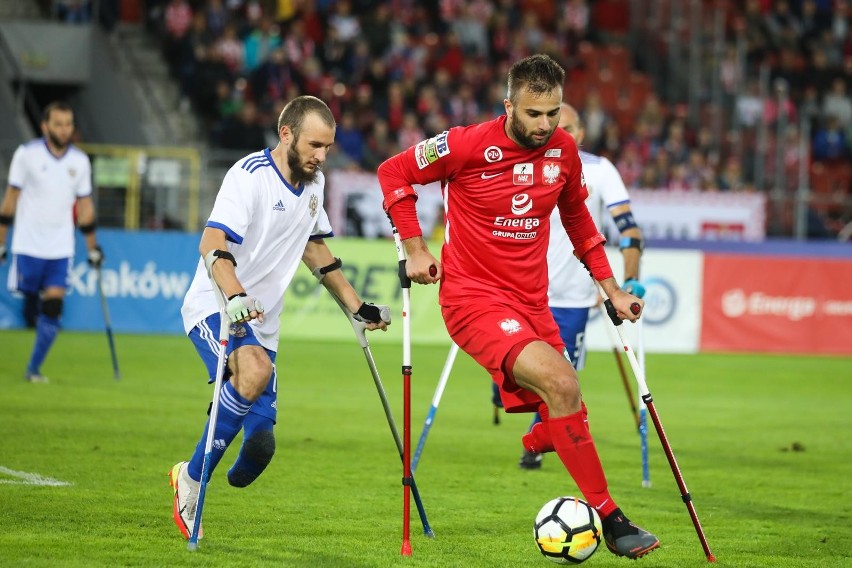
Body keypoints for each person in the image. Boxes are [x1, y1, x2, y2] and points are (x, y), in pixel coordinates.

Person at [376, 54, 659, 559]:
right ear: (509, 105)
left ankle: (537, 441)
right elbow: (393, 173)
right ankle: (611, 520)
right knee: (564, 384)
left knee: (571, 410)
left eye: (553, 113)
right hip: (472, 299)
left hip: (533, 303)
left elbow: (580, 225)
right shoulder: (464, 143)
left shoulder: (564, 151)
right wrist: (416, 247)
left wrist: (613, 289)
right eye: (534, 114)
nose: (545, 124)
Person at [169, 95, 389, 541]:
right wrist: (234, 296)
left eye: (327, 147)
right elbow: (212, 241)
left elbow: (314, 247)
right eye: (314, 145)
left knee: (261, 442)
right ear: (285, 134)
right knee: (253, 370)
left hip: (263, 323)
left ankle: (218, 433)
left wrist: (357, 306)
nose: (322, 156)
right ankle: (191, 480)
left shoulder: (313, 184)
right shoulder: (249, 177)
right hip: (216, 307)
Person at [515, 102, 645, 470]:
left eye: (567, 128)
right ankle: (514, 409)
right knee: (513, 377)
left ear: (581, 134)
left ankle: (535, 443)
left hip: (572, 297)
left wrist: (629, 279)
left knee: (561, 375)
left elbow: (630, 230)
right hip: (521, 290)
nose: (559, 134)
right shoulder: (526, 162)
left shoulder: (601, 171)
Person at [0, 101, 104, 382]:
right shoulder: (27, 155)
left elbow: (85, 207)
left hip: (60, 249)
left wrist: (93, 247)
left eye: (68, 124)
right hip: (27, 246)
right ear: (45, 126)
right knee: (29, 308)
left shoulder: (79, 162)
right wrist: (1, 241)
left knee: (54, 307)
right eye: (58, 124)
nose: (64, 129)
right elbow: (10, 199)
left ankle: (33, 369)